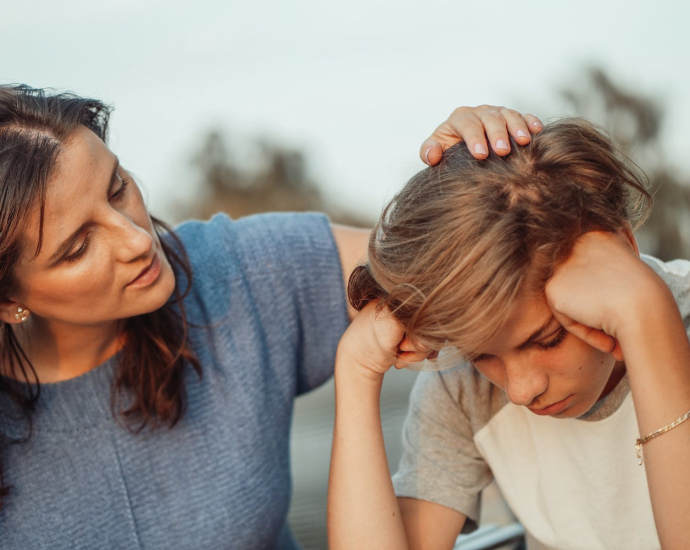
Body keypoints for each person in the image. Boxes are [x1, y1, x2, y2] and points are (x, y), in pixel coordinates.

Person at [0, 85, 542, 549]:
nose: (138, 240)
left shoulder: (238, 272)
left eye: (118, 188)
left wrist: (482, 176)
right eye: (76, 248)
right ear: (8, 300)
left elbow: (455, 256)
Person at [328, 118, 690, 549]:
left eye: (547, 339)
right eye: (482, 354)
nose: (520, 390)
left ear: (622, 249)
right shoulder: (463, 388)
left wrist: (646, 318)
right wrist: (355, 370)